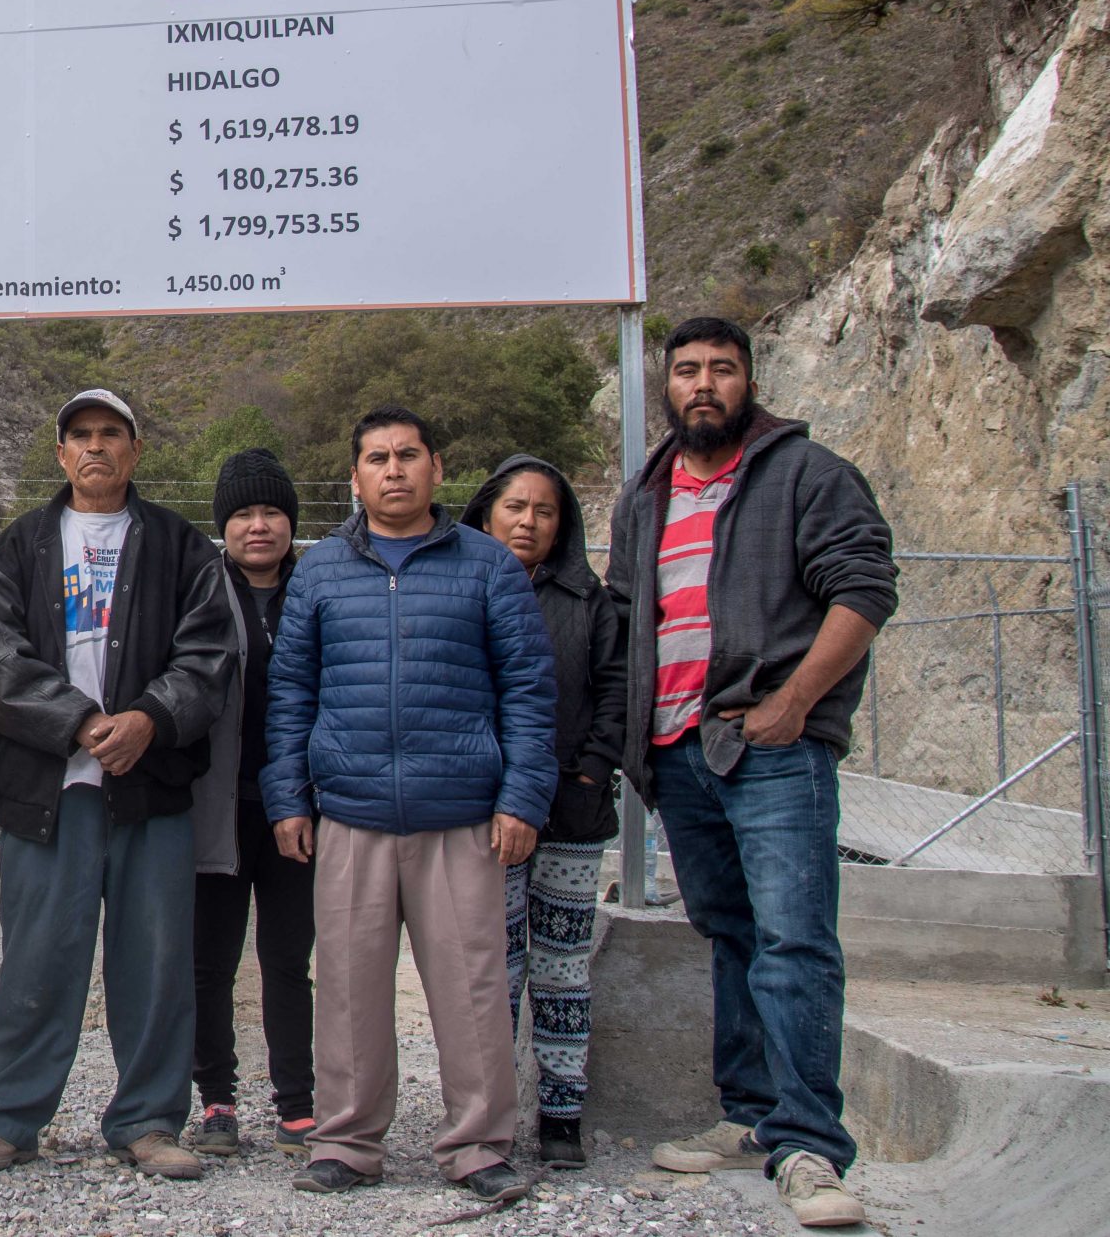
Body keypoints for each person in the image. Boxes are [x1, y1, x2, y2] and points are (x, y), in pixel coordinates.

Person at [611, 317, 896, 1230]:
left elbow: (865, 589)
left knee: (794, 939)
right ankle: (751, 1116)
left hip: (770, 746)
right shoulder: (645, 495)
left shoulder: (807, 474)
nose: (703, 384)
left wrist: (794, 703)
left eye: (722, 369)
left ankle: (811, 1145)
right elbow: (628, 615)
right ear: (667, 385)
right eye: (687, 370)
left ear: (750, 381)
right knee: (732, 933)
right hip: (676, 751)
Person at [262, 406, 555, 1205]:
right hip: (350, 812)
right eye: (377, 458)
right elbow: (290, 694)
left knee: (471, 986)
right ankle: (347, 1141)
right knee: (348, 986)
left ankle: (478, 1145)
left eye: (408, 454)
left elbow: (530, 692)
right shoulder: (321, 570)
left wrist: (522, 797)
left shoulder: (489, 566)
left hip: (460, 815)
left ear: (437, 468)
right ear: (355, 477)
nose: (394, 469)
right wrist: (288, 796)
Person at [0, 390, 235, 1182]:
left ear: (136, 451)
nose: (96, 446)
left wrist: (149, 718)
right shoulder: (16, 547)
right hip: (49, 790)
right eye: (81, 435)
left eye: (112, 434)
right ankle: (7, 1119)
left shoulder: (183, 547)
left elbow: (209, 658)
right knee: (38, 960)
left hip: (151, 788)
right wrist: (78, 720)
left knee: (156, 961)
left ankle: (148, 1119)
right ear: (61, 453)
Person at [461, 454, 625, 1171]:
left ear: (563, 525)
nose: (528, 521)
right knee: (492, 968)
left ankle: (561, 1112)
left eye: (545, 510)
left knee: (562, 969)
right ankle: (489, 1111)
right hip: (484, 814)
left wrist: (591, 767)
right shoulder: (458, 586)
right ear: (486, 512)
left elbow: (616, 691)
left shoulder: (590, 600)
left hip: (572, 812)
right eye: (515, 507)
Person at [184, 449, 317, 1159]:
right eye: (242, 514)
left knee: (288, 960)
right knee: (210, 962)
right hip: (218, 807)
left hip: (298, 810)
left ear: (291, 521)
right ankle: (217, 1099)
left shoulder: (319, 587)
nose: (258, 525)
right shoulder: (200, 590)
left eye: (270, 512)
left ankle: (297, 1103)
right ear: (223, 525)